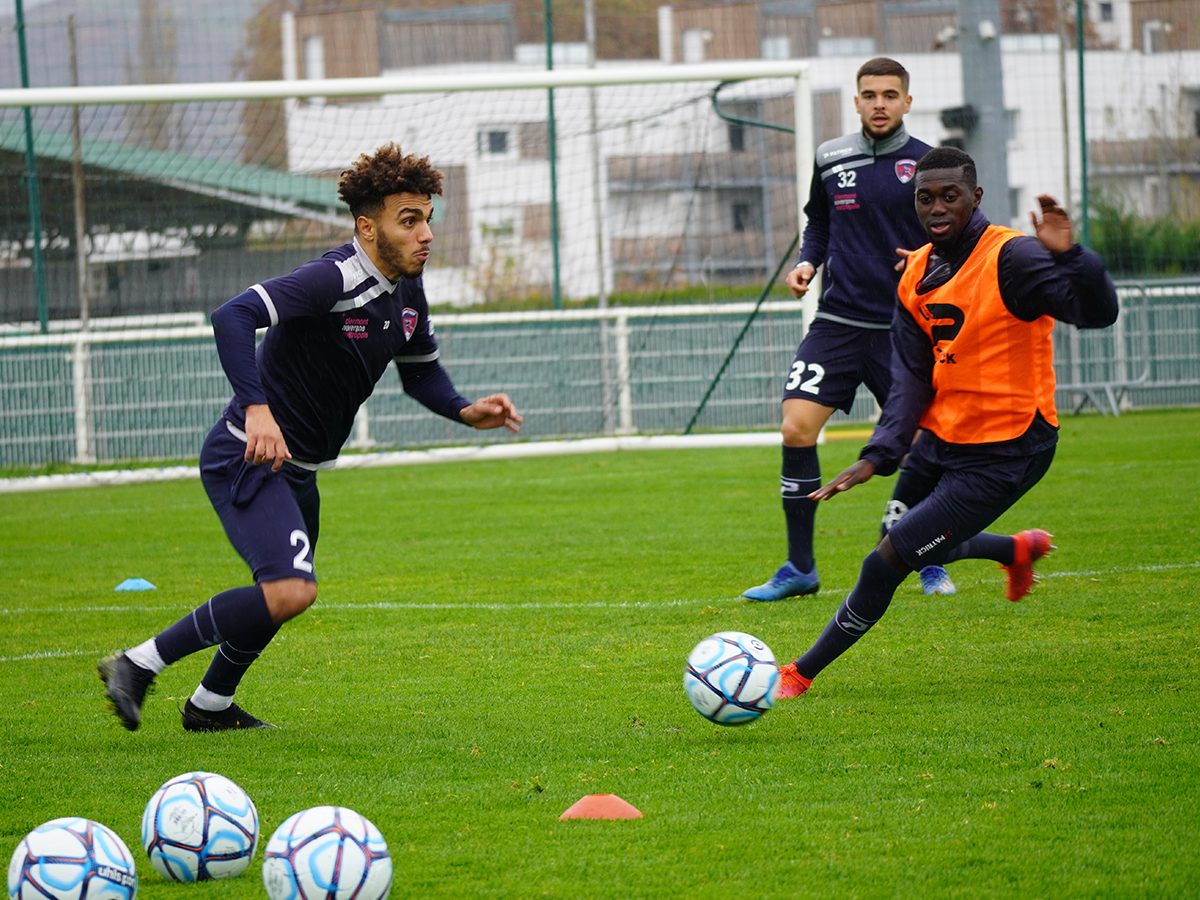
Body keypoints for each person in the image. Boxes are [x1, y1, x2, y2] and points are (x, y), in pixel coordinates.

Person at [98, 144, 522, 732]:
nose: (426, 233)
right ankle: (137, 664)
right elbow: (233, 316)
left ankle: (210, 706)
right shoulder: (334, 277)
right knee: (291, 590)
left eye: (428, 218)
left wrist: (465, 409)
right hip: (248, 457)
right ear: (366, 226)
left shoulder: (407, 290)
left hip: (301, 472)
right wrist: (257, 409)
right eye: (410, 220)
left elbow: (421, 372)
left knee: (280, 596)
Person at [775, 146, 1119, 699]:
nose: (936, 208)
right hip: (944, 436)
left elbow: (1098, 313)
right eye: (925, 197)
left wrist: (1074, 256)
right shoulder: (915, 270)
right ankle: (1014, 550)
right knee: (904, 537)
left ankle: (798, 673)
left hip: (1007, 449)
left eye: (949, 196)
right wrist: (878, 455)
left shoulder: (1014, 257)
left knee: (886, 559)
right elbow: (911, 376)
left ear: (974, 197)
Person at [743, 57, 956, 601]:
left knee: (915, 449)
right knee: (795, 428)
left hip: (902, 329)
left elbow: (957, 239)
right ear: (856, 101)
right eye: (869, 94)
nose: (879, 103)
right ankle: (799, 568)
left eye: (890, 94)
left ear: (907, 101)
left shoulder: (930, 164)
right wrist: (807, 263)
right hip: (836, 323)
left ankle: (926, 558)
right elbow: (820, 221)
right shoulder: (831, 157)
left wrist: (932, 262)